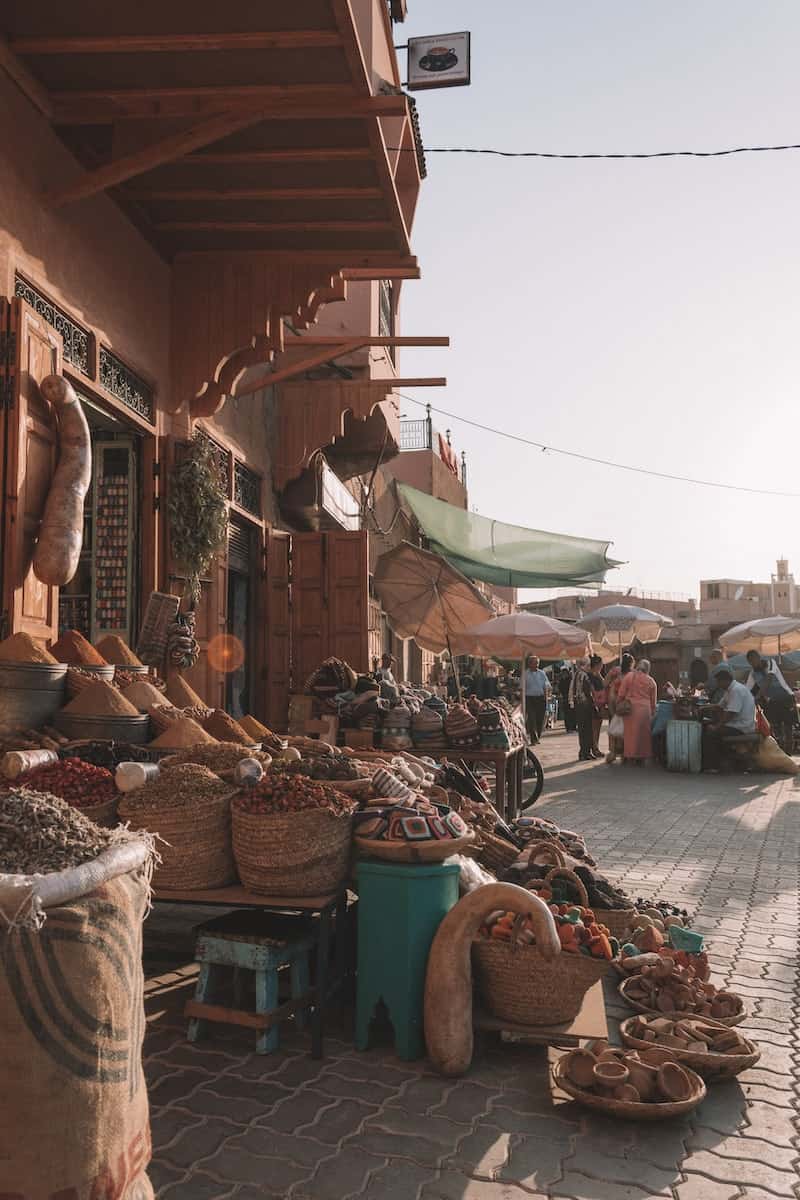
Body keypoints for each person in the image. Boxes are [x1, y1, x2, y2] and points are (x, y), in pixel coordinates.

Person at [702, 666, 756, 770]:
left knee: (710, 734)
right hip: (736, 724)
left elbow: (730, 713)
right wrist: (703, 707)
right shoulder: (729, 690)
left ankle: (713, 765)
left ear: (725, 681)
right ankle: (725, 761)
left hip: (742, 727)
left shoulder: (736, 690)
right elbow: (719, 706)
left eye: (718, 682)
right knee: (710, 728)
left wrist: (717, 727)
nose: (717, 684)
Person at [745, 650, 796, 754]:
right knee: (773, 726)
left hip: (786, 697)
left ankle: (789, 752)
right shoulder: (752, 673)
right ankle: (779, 751)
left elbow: (769, 679)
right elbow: (747, 691)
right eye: (750, 662)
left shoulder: (771, 662)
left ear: (758, 657)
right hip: (773, 700)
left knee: (788, 726)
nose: (753, 663)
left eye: (754, 660)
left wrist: (758, 696)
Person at [616, 658, 657, 765]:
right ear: (648, 669)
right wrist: (652, 712)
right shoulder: (651, 681)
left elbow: (621, 693)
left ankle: (630, 755)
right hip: (645, 710)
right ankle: (642, 757)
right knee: (643, 735)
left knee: (630, 734)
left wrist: (619, 703)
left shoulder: (629, 676)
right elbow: (653, 701)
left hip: (631, 709)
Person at [605, 652, 634, 763]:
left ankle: (612, 753)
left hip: (618, 706)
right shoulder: (633, 677)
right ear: (631, 664)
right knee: (627, 731)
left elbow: (611, 695)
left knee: (613, 731)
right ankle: (625, 754)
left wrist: (612, 709)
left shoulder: (617, 678)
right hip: (629, 707)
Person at [569, 657, 596, 761]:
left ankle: (583, 752)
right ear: (583, 665)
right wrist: (592, 704)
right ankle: (586, 752)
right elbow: (586, 692)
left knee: (582, 730)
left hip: (579, 705)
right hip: (584, 705)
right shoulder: (583, 675)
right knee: (587, 729)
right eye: (588, 665)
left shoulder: (576, 674)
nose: (589, 667)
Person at [524, 655, 550, 744]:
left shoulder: (542, 673)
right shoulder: (525, 674)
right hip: (529, 699)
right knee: (531, 719)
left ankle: (537, 736)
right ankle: (533, 739)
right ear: (529, 664)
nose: (537, 665)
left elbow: (546, 686)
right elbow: (522, 688)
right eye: (535, 663)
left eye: (537, 663)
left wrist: (546, 698)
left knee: (540, 719)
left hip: (540, 698)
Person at [588, 655, 607, 758]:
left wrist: (599, 675)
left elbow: (604, 684)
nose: (602, 666)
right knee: (594, 728)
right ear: (597, 664)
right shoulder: (589, 676)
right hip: (594, 704)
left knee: (597, 727)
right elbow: (592, 691)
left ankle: (596, 748)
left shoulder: (597, 675)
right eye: (601, 664)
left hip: (600, 704)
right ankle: (594, 749)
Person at [559, 666, 576, 731]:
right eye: (563, 673)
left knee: (572, 713)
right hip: (565, 698)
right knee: (567, 714)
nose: (564, 674)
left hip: (570, 698)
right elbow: (560, 689)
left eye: (565, 673)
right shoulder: (561, 681)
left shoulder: (570, 680)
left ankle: (573, 727)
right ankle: (568, 727)